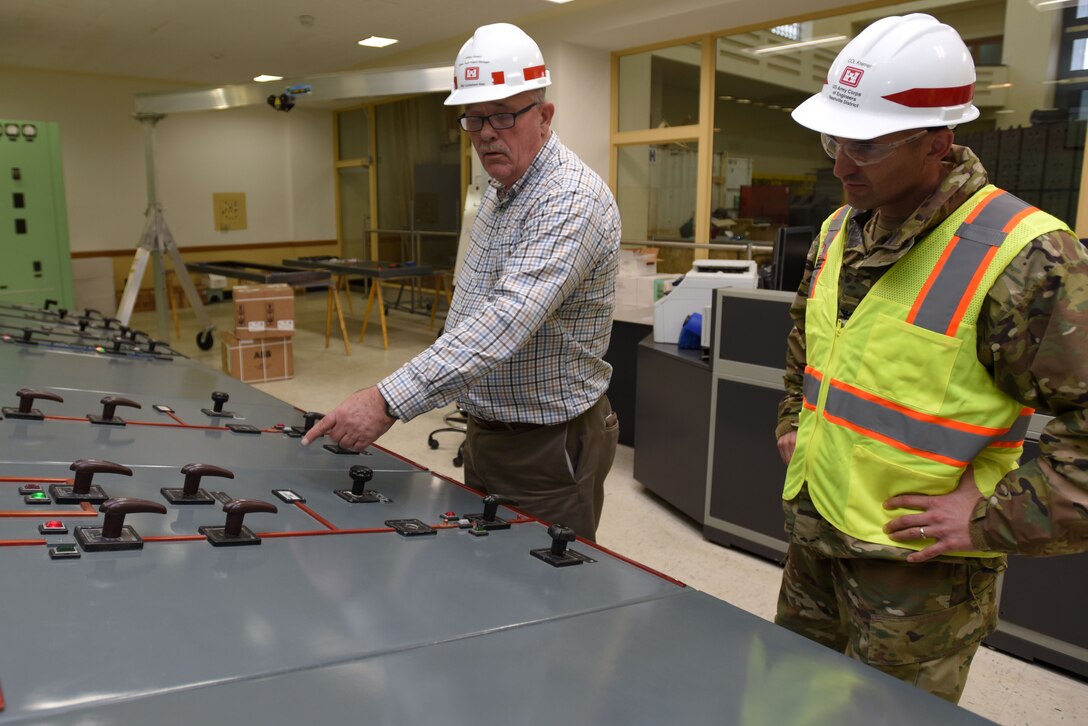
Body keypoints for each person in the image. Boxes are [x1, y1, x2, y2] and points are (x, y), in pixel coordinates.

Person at [773, 13, 1088, 703]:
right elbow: (811, 341)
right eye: (834, 139)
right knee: (786, 705)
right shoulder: (838, 228)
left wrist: (992, 515)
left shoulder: (1029, 255)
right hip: (816, 541)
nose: (840, 165)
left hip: (918, 583)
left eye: (868, 146)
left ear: (939, 141)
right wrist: (793, 423)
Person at [302, 22, 621, 541]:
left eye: (502, 115)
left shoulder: (569, 199)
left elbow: (502, 324)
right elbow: (472, 310)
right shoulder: (501, 188)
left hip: (547, 444)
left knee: (545, 597)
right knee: (490, 579)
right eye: (473, 119)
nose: (487, 133)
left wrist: (385, 401)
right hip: (490, 432)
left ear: (544, 116)